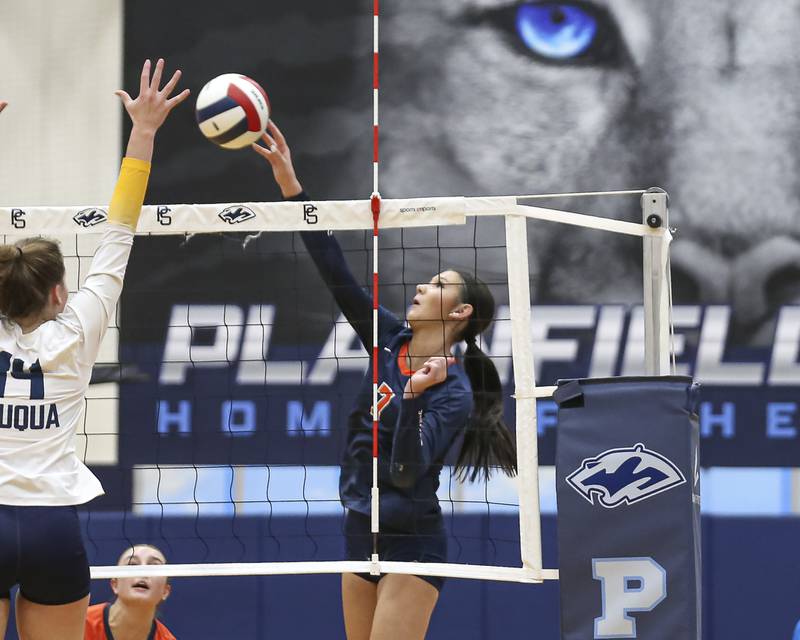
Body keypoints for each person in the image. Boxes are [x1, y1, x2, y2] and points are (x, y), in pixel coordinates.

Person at [252, 121, 517, 640]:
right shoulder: (388, 339)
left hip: (411, 538)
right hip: (359, 527)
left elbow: (404, 471)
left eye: (437, 285)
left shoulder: (454, 390)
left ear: (461, 311)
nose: (421, 285)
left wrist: (415, 397)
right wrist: (291, 187)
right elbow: (336, 274)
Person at [0, 59, 189, 640]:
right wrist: (144, 132)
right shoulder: (80, 328)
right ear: (60, 291)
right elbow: (119, 229)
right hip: (54, 527)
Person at [84, 544, 175, 640]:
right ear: (115, 584)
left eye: (154, 566)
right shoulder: (80, 623)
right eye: (132, 565)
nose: (142, 572)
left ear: (165, 591)